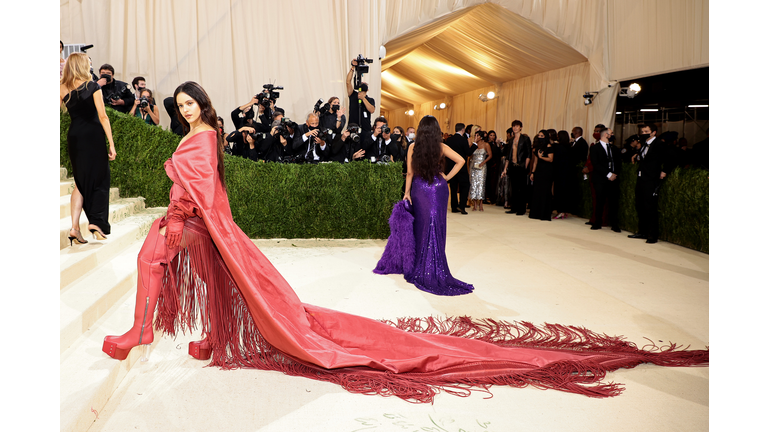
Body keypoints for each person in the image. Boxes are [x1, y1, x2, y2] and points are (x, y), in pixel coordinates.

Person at [101, 84, 707, 403]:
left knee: (167, 260)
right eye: (178, 105)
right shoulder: (201, 136)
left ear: (201, 106)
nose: (182, 111)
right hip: (412, 198)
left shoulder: (203, 139)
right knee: (217, 279)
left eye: (188, 103)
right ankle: (208, 334)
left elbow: (203, 188)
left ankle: (155, 331)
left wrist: (434, 187)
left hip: (197, 222)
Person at [377, 115, 474, 295]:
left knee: (421, 226)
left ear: (420, 130)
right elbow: (461, 161)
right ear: (436, 130)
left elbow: (409, 173)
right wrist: (447, 177)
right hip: (439, 188)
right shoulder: (441, 147)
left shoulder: (413, 147)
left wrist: (406, 193)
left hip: (420, 188)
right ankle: (433, 264)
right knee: (436, 225)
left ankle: (420, 263)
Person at [60, 53, 116, 245]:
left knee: (80, 182)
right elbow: (103, 117)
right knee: (101, 177)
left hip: (74, 136)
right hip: (93, 136)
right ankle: (97, 222)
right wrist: (111, 143)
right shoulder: (93, 86)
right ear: (82, 66)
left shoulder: (61, 87)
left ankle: (75, 228)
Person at [628, 123, 669, 244]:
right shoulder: (644, 144)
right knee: (640, 206)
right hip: (641, 178)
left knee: (650, 207)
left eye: (646, 131)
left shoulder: (659, 144)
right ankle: (642, 231)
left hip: (651, 179)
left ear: (653, 132)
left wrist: (664, 171)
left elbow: (669, 157)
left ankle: (652, 235)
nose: (643, 134)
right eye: (643, 131)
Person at [589, 127, 622, 232]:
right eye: (611, 133)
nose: (612, 135)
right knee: (599, 201)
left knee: (614, 203)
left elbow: (618, 163)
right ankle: (597, 222)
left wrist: (614, 174)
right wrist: (608, 174)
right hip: (600, 179)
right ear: (605, 135)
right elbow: (596, 164)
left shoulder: (614, 148)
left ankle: (614, 224)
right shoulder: (595, 148)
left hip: (613, 179)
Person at [445, 123, 476, 214]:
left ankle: (454, 207)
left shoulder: (449, 139)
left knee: (453, 187)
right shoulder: (463, 140)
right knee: (465, 185)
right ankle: (462, 206)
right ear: (463, 130)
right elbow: (468, 153)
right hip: (461, 167)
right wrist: (474, 144)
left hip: (451, 167)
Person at [501, 120, 531, 215]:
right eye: (513, 126)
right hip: (512, 166)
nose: (515, 128)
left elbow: (528, 154)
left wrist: (525, 166)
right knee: (513, 188)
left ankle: (521, 209)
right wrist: (505, 168)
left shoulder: (525, 139)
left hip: (521, 166)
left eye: (517, 126)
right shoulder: (511, 140)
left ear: (521, 127)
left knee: (521, 188)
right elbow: (508, 156)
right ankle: (513, 208)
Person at [528, 130, 554, 221]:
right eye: (539, 135)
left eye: (542, 136)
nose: (540, 137)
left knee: (545, 191)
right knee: (537, 191)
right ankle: (536, 213)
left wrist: (541, 157)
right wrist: (533, 172)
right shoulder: (537, 147)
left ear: (546, 137)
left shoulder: (549, 146)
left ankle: (545, 214)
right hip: (538, 171)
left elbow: (551, 159)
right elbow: (535, 162)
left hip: (547, 171)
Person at [346, 60, 375, 134]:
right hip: (352, 128)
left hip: (365, 129)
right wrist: (353, 67)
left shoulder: (370, 100)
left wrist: (363, 98)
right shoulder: (353, 95)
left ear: (367, 89)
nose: (363, 84)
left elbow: (372, 110)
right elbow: (348, 82)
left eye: (365, 84)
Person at [469, 130, 492, 211]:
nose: (476, 137)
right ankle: (475, 204)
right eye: (475, 136)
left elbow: (490, 155)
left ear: (481, 137)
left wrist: (483, 162)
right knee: (473, 184)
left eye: (477, 136)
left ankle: (481, 203)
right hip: (473, 166)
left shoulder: (486, 144)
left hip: (482, 166)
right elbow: (469, 153)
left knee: (481, 184)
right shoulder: (474, 144)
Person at [552, 130, 571, 219]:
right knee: (565, 192)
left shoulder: (558, 147)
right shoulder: (569, 146)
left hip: (559, 172)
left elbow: (555, 160)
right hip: (567, 172)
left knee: (559, 192)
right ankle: (564, 211)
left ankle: (560, 211)